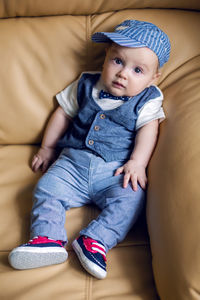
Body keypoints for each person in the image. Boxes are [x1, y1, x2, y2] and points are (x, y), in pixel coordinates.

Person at [8, 20, 170, 279]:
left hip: (115, 169)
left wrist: (138, 163)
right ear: (106, 56)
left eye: (138, 70)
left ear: (153, 78)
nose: (123, 73)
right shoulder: (85, 83)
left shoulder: (148, 99)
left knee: (132, 199)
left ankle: (95, 242)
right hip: (72, 163)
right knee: (47, 188)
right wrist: (47, 147)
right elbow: (63, 114)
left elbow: (148, 130)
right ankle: (47, 239)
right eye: (118, 61)